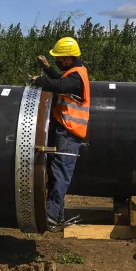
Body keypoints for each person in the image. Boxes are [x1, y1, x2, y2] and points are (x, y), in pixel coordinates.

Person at [30, 36, 90, 230]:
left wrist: (40, 80)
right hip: (66, 131)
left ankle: (51, 215)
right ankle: (58, 216)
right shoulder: (74, 73)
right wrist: (47, 68)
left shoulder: (76, 76)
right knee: (57, 173)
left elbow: (60, 86)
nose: (57, 61)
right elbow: (59, 80)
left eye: (58, 58)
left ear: (68, 59)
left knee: (60, 174)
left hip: (70, 133)